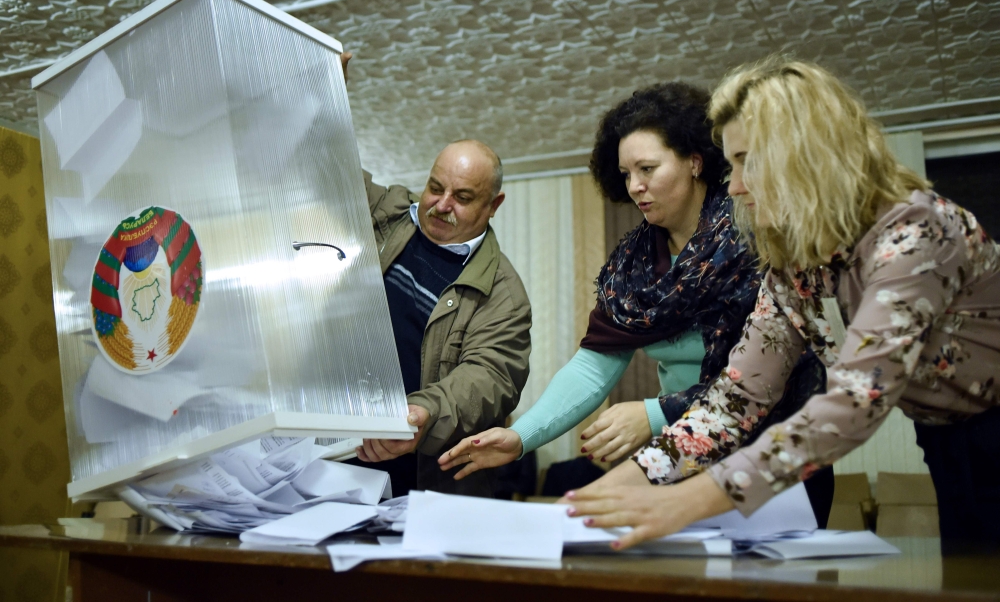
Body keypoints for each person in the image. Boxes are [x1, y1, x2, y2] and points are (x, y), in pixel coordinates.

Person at [563, 57, 1000, 552]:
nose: (734, 184)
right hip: (945, 437)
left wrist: (686, 502)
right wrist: (599, 496)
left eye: (750, 161)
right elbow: (738, 400)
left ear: (810, 154)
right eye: (733, 163)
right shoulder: (797, 267)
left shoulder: (915, 235)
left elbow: (854, 402)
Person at [438, 83, 831, 518]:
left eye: (647, 168)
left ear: (695, 162)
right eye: (626, 174)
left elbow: (762, 378)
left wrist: (655, 414)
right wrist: (521, 436)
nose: (635, 186)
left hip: (777, 453)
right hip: (687, 451)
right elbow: (593, 367)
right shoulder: (633, 265)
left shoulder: (757, 241)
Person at [355, 136, 532, 498]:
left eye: (463, 198)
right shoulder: (384, 214)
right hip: (333, 448)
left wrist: (425, 410)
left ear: (493, 204)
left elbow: (490, 376)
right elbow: (326, 165)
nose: (441, 205)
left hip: (416, 474)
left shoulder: (504, 295)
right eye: (435, 188)